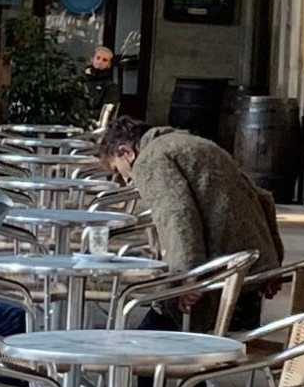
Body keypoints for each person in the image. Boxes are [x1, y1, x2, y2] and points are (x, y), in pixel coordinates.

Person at [102, 112, 285, 280]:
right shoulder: (188, 143)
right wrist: (273, 262)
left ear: (126, 152)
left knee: (160, 309)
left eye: (118, 170)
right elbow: (262, 197)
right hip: (254, 263)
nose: (125, 181)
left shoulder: (150, 160)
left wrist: (184, 276)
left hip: (223, 271)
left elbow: (177, 214)